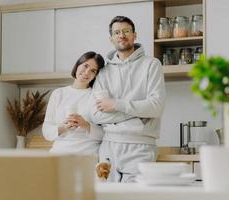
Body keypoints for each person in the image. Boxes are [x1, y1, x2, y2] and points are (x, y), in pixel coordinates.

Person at [91, 16, 166, 182]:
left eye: (126, 31)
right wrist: (138, 112)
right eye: (117, 32)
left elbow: (156, 107)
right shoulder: (103, 71)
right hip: (108, 146)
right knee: (106, 196)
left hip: (141, 147)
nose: (121, 35)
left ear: (134, 35)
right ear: (111, 38)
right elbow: (96, 115)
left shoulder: (152, 64)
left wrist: (116, 104)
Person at [42, 51, 105, 155]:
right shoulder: (59, 94)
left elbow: (105, 134)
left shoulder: (97, 96)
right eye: (85, 66)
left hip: (88, 155)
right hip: (59, 155)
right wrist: (64, 127)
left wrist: (86, 125)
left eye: (93, 71)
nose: (86, 72)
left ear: (96, 75)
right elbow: (47, 132)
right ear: (78, 65)